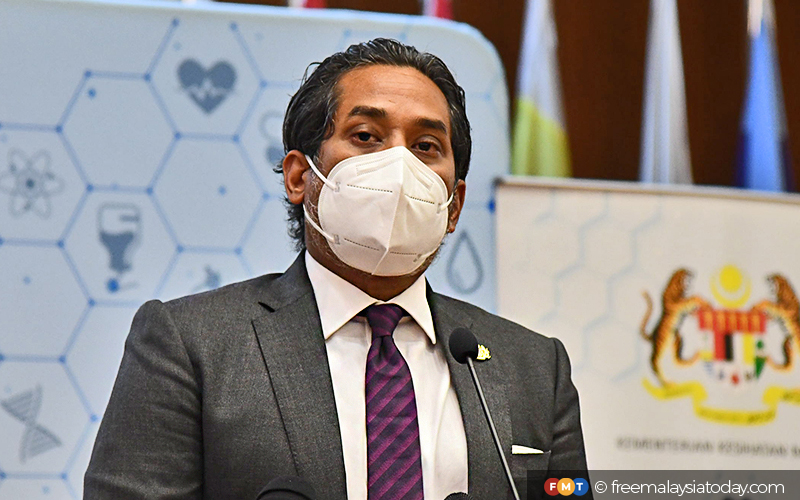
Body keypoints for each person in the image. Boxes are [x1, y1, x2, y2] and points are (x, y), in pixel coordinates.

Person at [84, 38, 588, 500]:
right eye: (366, 136)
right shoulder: (191, 344)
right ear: (299, 176)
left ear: (453, 205)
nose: (399, 168)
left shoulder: (534, 367)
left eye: (425, 146)